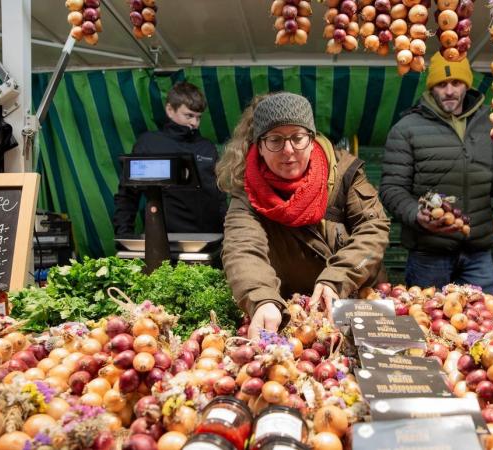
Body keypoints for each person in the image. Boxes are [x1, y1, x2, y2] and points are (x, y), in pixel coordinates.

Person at [217, 92, 390, 338]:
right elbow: (242, 248)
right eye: (275, 140)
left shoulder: (345, 173)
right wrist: (262, 298)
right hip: (291, 311)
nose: (288, 150)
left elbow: (373, 227)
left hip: (356, 297)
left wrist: (337, 278)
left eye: (297, 138)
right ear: (259, 146)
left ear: (311, 139)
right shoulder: (248, 192)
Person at [379, 53, 493, 294]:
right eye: (441, 84)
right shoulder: (406, 129)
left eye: (456, 83)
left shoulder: (488, 122)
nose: (449, 91)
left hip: (478, 252)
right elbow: (391, 189)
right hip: (429, 253)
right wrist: (415, 214)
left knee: (482, 321)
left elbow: (490, 175)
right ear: (432, 88)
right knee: (427, 322)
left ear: (467, 84)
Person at [113, 82, 227, 236]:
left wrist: (226, 236)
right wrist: (123, 234)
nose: (194, 123)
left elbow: (219, 198)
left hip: (207, 239)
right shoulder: (149, 144)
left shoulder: (207, 148)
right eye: (189, 115)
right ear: (170, 110)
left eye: (198, 117)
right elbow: (127, 195)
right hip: (162, 238)